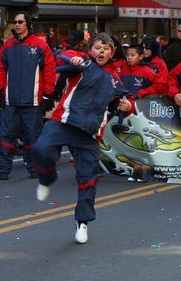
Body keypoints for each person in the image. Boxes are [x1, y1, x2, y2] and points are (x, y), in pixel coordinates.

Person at [33, 33, 135, 244]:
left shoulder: (115, 81)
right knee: (41, 149)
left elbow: (124, 104)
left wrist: (127, 107)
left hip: (89, 134)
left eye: (106, 48)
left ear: (112, 53)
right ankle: (47, 179)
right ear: (91, 50)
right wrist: (74, 60)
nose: (101, 51)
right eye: (97, 47)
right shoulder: (83, 65)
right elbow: (64, 58)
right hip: (64, 121)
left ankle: (82, 223)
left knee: (87, 180)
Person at [0, 11, 56, 180]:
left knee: (32, 138)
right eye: (15, 22)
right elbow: (0, 68)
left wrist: (48, 95)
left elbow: (49, 70)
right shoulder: (7, 46)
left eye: (20, 22)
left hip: (33, 102)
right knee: (7, 137)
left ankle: (34, 169)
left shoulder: (40, 45)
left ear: (27, 24)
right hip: (11, 101)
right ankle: (3, 170)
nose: (17, 25)